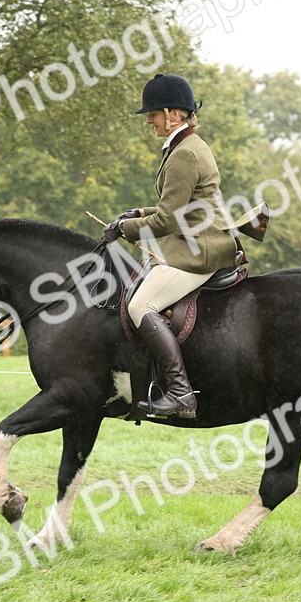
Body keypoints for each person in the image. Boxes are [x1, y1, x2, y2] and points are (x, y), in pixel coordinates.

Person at [101, 74, 238, 418]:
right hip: (196, 239)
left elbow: (166, 222)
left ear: (174, 114)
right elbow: (177, 205)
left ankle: (180, 392)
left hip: (200, 249)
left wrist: (126, 228)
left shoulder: (184, 154)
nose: (149, 121)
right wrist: (139, 212)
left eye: (153, 114)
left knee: (140, 305)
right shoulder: (187, 146)